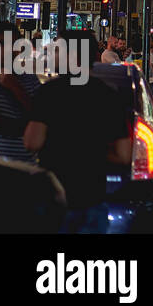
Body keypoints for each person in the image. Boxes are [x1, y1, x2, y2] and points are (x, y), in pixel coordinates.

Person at [24, 31, 132, 234]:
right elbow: (124, 154)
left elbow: (32, 142)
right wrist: (91, 150)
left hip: (54, 197)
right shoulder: (108, 95)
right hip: (92, 197)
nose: (52, 55)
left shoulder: (49, 92)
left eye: (57, 51)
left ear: (72, 55)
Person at [0, 21, 41, 162]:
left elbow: (42, 116)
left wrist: (15, 88)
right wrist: (26, 125)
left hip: (27, 164)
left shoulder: (30, 79)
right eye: (1, 43)